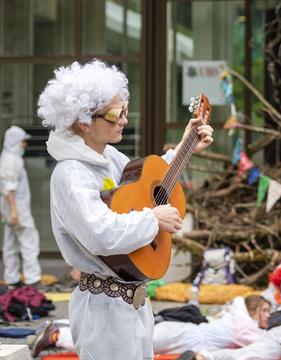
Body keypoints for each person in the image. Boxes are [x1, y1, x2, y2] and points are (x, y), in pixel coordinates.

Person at [37, 60, 214, 360]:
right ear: (83, 121)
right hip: (102, 311)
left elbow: (145, 184)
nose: (123, 120)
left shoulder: (109, 157)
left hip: (130, 301)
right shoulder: (71, 175)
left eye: (124, 110)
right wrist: (153, 218)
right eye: (114, 114)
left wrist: (185, 145)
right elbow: (100, 234)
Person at [32, 295, 271, 357]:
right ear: (253, 311)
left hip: (183, 335)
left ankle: (61, 330)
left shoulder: (245, 319)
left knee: (126, 336)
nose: (268, 316)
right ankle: (59, 335)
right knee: (126, 342)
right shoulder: (245, 323)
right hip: (182, 335)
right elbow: (261, 341)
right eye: (264, 310)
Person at [0, 125, 42, 287]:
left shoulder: (6, 158)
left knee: (10, 243)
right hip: (17, 210)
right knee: (29, 241)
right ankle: (32, 278)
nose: (25, 144)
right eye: (23, 141)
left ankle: (12, 278)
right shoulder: (12, 160)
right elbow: (9, 188)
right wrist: (14, 212)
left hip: (10, 210)